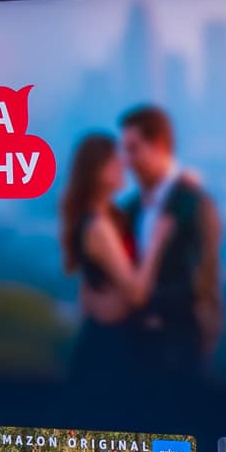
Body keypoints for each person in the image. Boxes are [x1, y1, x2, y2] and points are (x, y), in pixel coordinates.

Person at [115, 105, 224, 378]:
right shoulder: (131, 209)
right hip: (136, 352)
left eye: (133, 149)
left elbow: (198, 282)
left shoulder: (195, 204)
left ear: (159, 145)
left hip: (182, 351)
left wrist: (137, 303)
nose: (127, 160)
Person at [62, 132, 177, 382]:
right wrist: (157, 241)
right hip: (108, 347)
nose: (123, 164)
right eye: (115, 161)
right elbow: (136, 293)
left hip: (117, 338)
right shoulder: (98, 227)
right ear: (98, 172)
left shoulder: (111, 217)